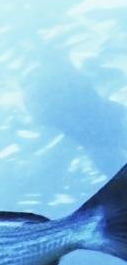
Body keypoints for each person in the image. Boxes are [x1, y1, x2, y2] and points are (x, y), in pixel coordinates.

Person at [23, 49, 127, 177]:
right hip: (102, 127)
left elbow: (43, 120)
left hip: (94, 134)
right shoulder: (60, 76)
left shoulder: (42, 89)